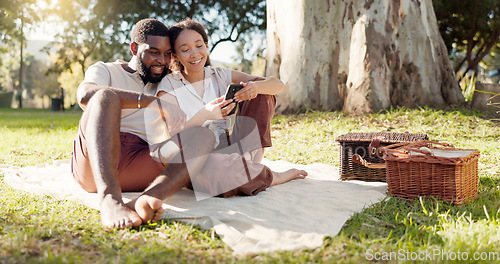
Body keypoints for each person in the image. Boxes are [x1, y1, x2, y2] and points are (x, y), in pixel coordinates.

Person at [71, 18, 216, 229]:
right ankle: (110, 200)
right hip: (95, 161)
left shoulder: (170, 82)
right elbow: (85, 95)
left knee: (204, 135)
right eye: (154, 52)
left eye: (168, 54)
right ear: (134, 48)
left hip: (141, 160)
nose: (162, 61)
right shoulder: (107, 70)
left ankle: (146, 199)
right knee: (105, 97)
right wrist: (152, 102)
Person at [155, 18, 308, 198]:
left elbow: (277, 85)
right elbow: (173, 133)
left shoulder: (219, 75)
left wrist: (256, 88)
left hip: (231, 147)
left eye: (199, 46)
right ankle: (271, 176)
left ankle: (248, 165)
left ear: (206, 45)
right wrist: (205, 114)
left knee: (260, 90)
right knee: (216, 171)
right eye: (185, 49)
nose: (195, 54)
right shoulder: (169, 85)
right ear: (175, 55)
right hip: (197, 155)